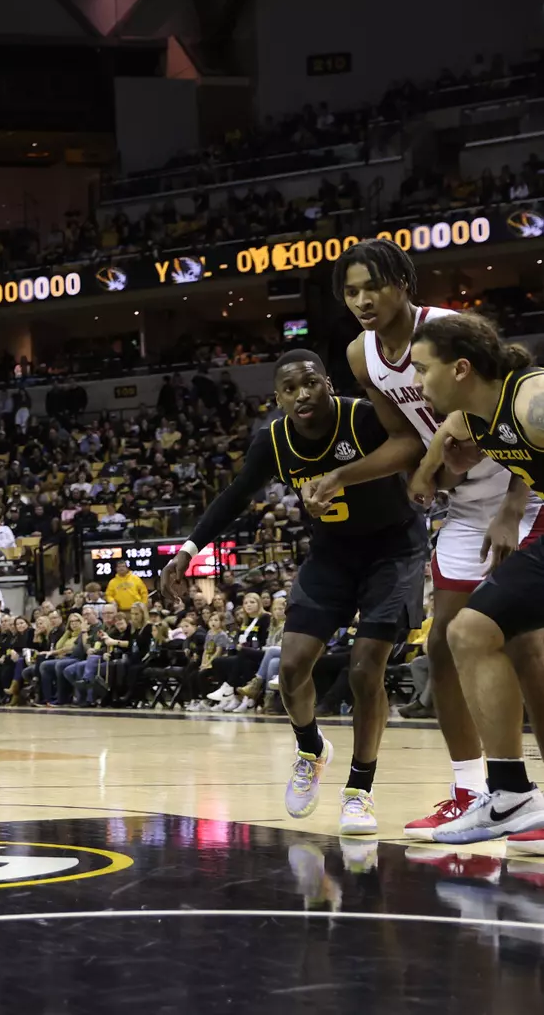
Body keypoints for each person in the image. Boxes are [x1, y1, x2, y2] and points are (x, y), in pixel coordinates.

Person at [319, 238, 543, 839]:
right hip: (465, 506)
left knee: (520, 643)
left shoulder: (450, 331)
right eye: (350, 291)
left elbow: (523, 411)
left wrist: (515, 499)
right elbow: (406, 441)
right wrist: (349, 473)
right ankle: (478, 790)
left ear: (402, 283)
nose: (362, 300)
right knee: (445, 644)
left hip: (523, 493)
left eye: (372, 286)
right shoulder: (363, 356)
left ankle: (520, 796)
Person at [160, 349, 426, 836]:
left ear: (326, 382)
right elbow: (234, 496)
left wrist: (341, 477)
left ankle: (358, 792)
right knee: (290, 664)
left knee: (367, 668)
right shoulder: (274, 441)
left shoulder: (360, 417)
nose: (302, 394)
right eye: (290, 388)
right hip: (332, 554)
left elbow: (409, 446)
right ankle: (311, 749)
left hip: (394, 549)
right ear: (278, 398)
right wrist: (188, 549)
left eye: (310, 383)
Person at [400, 312, 544, 851]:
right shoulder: (469, 420)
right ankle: (510, 796)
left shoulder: (532, 399)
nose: (416, 382)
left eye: (423, 369)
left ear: (461, 368)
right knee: (468, 631)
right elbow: (424, 482)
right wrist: (455, 467)